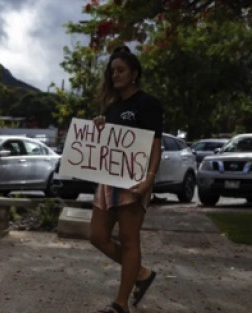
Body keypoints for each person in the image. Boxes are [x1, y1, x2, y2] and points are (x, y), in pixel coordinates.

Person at [90, 45, 163, 313]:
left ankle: (120, 305)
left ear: (134, 72)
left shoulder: (148, 104)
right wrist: (99, 126)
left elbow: (156, 145)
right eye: (112, 71)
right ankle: (141, 273)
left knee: (130, 239)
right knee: (97, 236)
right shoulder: (112, 107)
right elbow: (106, 144)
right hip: (108, 180)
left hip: (134, 180)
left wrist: (149, 180)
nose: (115, 75)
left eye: (121, 70)